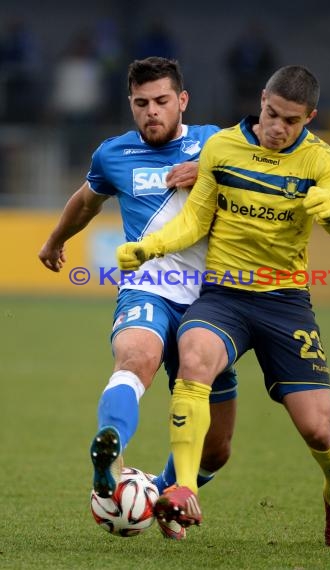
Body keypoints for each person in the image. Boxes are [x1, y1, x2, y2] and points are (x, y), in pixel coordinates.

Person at [116, 65, 330, 547]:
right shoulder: (223, 147)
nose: (276, 127)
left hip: (285, 302)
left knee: (318, 431)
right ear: (261, 98)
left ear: (308, 117)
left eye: (290, 121)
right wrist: (151, 248)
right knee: (194, 353)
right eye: (271, 113)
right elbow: (195, 221)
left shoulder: (322, 161)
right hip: (224, 294)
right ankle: (183, 485)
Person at [38, 56, 238, 541]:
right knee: (135, 358)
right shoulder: (114, 154)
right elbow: (86, 200)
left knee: (216, 451)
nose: (151, 111)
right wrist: (55, 240)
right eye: (141, 103)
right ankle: (110, 446)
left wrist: (213, 176)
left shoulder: (216, 143)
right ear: (131, 104)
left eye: (162, 102)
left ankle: (161, 492)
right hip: (146, 288)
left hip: (212, 302)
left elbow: (263, 186)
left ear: (182, 101)